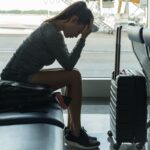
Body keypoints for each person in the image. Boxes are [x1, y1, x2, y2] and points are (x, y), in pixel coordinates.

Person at [0, 1, 100, 149]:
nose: (77, 35)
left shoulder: (51, 29)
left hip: (20, 76)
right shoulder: (51, 33)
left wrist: (81, 36)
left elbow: (68, 64)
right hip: (17, 81)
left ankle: (73, 131)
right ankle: (76, 134)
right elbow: (69, 64)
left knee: (74, 75)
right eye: (79, 31)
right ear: (73, 20)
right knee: (73, 76)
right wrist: (83, 39)